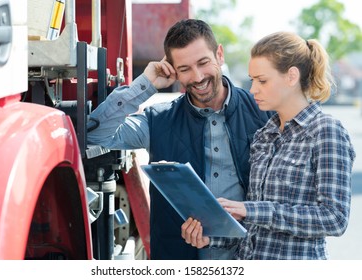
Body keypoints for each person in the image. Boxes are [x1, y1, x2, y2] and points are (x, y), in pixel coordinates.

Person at [87, 19, 272, 260]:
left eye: (203, 63)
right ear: (173, 70)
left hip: (255, 257)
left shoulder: (265, 113)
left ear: (219, 54)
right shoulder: (158, 120)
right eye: (185, 69)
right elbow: (96, 134)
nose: (197, 77)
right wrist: (146, 84)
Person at [181, 31, 356, 260]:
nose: (253, 89)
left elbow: (334, 219)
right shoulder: (265, 135)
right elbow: (256, 228)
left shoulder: (326, 132)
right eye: (252, 80)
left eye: (262, 80)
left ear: (291, 76)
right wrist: (211, 238)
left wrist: (251, 210)